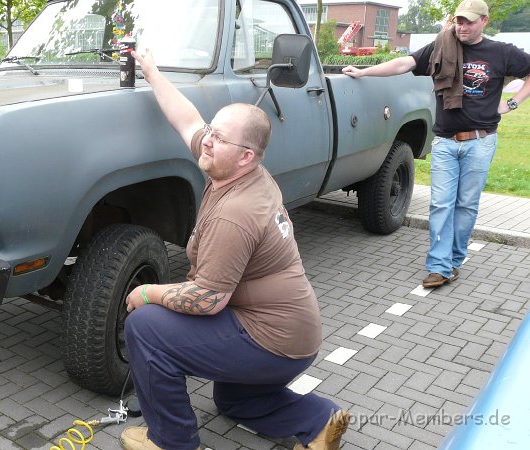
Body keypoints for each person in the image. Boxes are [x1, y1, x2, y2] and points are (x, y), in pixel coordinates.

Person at [119, 48, 349, 450]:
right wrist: (151, 70)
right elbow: (185, 118)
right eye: (211, 131)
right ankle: (318, 420)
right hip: (292, 334)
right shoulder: (238, 170)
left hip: (271, 339)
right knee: (232, 399)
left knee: (146, 326)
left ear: (245, 155)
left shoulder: (235, 212)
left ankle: (172, 441)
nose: (207, 141)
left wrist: (146, 293)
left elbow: (207, 299)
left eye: (218, 138)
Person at [342, 0, 530, 288]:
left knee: (466, 205)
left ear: (484, 21)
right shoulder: (442, 45)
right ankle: (439, 266)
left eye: (468, 21)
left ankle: (455, 260)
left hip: (480, 142)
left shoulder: (501, 52)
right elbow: (406, 63)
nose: (462, 26)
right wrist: (365, 72)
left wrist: (513, 102)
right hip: (444, 141)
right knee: (441, 204)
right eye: (458, 20)